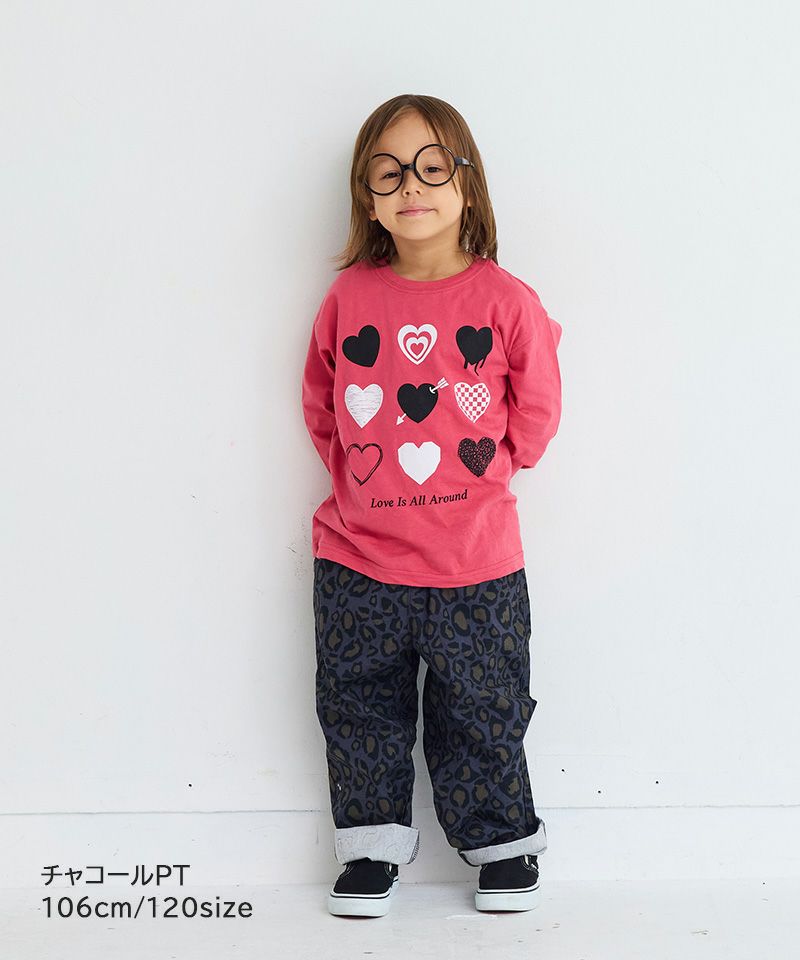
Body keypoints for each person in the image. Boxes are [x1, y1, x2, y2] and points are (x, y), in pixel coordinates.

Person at [301, 94, 563, 917]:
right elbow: (322, 405)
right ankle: (370, 849)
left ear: (466, 182)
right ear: (367, 195)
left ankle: (502, 846)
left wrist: (492, 471)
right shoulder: (349, 299)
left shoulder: (506, 300)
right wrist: (363, 486)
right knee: (359, 707)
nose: (410, 185)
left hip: (476, 562)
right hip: (358, 560)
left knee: (484, 709)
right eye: (388, 172)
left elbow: (537, 411)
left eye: (430, 166)